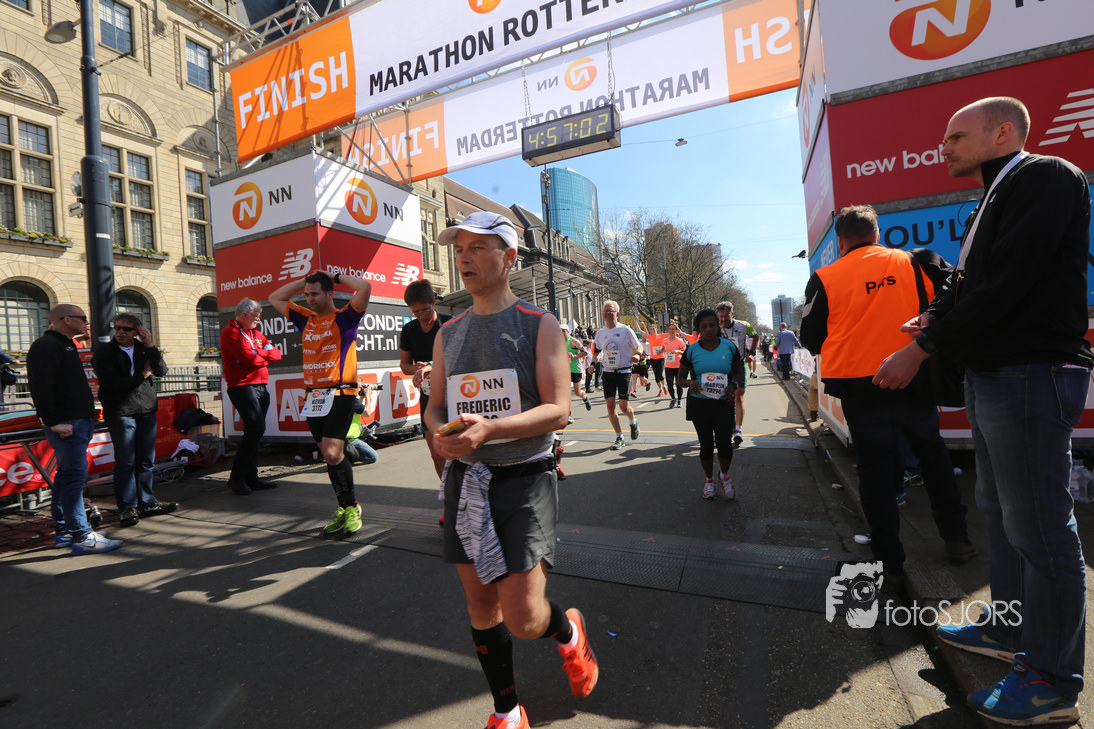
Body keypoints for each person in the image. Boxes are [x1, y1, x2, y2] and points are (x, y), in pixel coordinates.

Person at [874, 96, 1092, 726]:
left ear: (1002, 133)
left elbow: (1008, 281)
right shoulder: (994, 195)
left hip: (1029, 370)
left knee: (1041, 526)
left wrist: (921, 348)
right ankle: (1009, 627)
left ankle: (1052, 681)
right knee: (1000, 509)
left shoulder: (1044, 175)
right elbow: (970, 283)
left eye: (955, 136)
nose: (943, 146)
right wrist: (934, 317)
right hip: (996, 372)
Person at [425, 211, 597, 729]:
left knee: (524, 619)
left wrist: (491, 430)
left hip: (525, 478)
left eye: (478, 248)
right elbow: (435, 406)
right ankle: (507, 711)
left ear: (509, 258)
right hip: (467, 482)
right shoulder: (447, 333)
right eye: (460, 250)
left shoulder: (539, 324)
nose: (464, 258)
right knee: (481, 608)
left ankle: (568, 631)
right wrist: (438, 432)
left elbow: (558, 411)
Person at [799, 204, 975, 584]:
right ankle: (957, 539)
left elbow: (811, 337)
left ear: (840, 241)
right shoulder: (916, 261)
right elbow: (957, 296)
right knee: (932, 455)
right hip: (913, 374)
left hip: (860, 386)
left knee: (875, 470)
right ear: (877, 234)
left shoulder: (825, 277)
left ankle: (889, 560)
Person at [270, 269, 372, 535]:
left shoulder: (346, 317)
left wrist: (335, 276)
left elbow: (364, 288)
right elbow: (275, 297)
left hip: (341, 393)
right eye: (307, 295)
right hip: (313, 397)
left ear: (329, 294)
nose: (309, 299)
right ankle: (344, 507)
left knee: (331, 453)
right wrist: (303, 282)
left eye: (314, 294)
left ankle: (352, 506)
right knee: (330, 456)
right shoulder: (305, 318)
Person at [27, 305, 121, 554]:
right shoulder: (47, 346)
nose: (87, 323)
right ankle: (82, 535)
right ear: (67, 320)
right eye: (83, 318)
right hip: (67, 424)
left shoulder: (65, 344)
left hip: (75, 421)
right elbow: (40, 385)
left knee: (66, 477)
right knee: (73, 479)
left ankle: (66, 531)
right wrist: (52, 422)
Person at [92, 313, 178, 528]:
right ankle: (128, 507)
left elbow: (161, 370)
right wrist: (143, 375)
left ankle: (146, 502)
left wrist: (150, 345)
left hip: (146, 411)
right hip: (121, 412)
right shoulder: (104, 353)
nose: (121, 332)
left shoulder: (142, 349)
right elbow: (112, 384)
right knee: (126, 461)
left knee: (146, 460)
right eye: (117, 327)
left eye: (126, 329)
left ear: (137, 332)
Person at [677, 309, 744, 500]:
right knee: (706, 446)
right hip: (700, 404)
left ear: (718, 326)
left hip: (723, 403)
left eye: (712, 325)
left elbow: (739, 372)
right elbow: (680, 378)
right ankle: (709, 481)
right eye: (704, 326)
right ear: (698, 329)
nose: (708, 329)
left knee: (725, 445)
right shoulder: (692, 350)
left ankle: (724, 476)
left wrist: (733, 385)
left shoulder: (729, 347)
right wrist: (691, 383)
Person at [221, 298, 283, 495]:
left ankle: (251, 477)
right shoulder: (230, 332)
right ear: (245, 315)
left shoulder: (255, 334)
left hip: (261, 386)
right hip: (242, 386)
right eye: (256, 316)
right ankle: (236, 477)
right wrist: (263, 354)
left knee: (254, 432)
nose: (259, 319)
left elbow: (277, 354)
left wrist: (258, 353)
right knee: (255, 429)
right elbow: (249, 359)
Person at [399, 278, 452, 480]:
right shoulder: (409, 330)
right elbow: (404, 366)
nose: (421, 316)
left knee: (458, 453)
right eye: (416, 312)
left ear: (434, 302)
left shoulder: (450, 324)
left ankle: (464, 494)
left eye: (425, 310)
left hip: (455, 394)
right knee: (437, 454)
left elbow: (459, 359)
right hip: (429, 398)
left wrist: (430, 366)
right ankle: (448, 494)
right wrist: (419, 369)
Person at [593, 300, 641, 450]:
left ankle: (633, 421)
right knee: (610, 404)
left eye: (611, 311)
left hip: (624, 371)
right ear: (602, 314)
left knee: (624, 407)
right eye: (606, 311)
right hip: (608, 372)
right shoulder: (600, 333)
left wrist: (638, 355)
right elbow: (597, 352)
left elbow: (638, 345)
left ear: (617, 314)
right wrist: (593, 364)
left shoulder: (625, 330)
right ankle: (619, 436)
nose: (608, 313)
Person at [715, 302, 759, 445]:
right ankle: (725, 427)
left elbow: (756, 336)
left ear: (732, 314)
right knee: (722, 398)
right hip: (722, 366)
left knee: (738, 396)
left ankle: (738, 430)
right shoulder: (716, 327)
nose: (723, 319)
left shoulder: (743, 325)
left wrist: (751, 353)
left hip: (739, 365)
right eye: (721, 316)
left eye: (726, 316)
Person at [562, 323, 591, 416]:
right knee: (566, 393)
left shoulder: (573, 341)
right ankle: (569, 414)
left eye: (563, 331)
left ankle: (585, 397)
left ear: (567, 331)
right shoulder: (557, 341)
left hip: (575, 369)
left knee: (577, 392)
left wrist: (574, 356)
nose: (561, 333)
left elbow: (585, 353)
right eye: (559, 331)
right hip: (565, 370)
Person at [662, 321, 688, 408]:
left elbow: (684, 351)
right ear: (668, 330)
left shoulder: (679, 341)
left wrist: (678, 351)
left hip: (678, 366)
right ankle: (673, 398)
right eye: (670, 329)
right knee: (669, 384)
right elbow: (663, 349)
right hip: (668, 366)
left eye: (673, 329)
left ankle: (679, 400)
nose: (671, 330)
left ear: (676, 330)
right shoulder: (664, 341)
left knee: (678, 384)